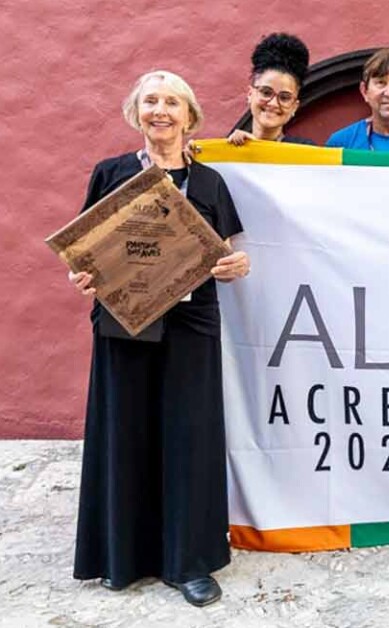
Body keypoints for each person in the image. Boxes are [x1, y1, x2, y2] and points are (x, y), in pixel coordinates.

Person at [68, 70, 251, 607]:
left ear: (189, 116)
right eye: (151, 101)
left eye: (173, 102)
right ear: (137, 113)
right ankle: (123, 556)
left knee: (189, 438)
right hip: (124, 320)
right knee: (124, 431)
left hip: (192, 325)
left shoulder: (211, 182)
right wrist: (80, 275)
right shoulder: (112, 174)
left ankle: (188, 562)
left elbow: (227, 254)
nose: (161, 111)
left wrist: (236, 266)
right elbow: (85, 250)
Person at [229, 33, 317, 146]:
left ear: (294, 107)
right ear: (250, 94)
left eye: (284, 98)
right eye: (266, 93)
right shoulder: (227, 151)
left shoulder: (305, 152)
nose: (273, 103)